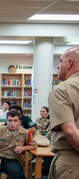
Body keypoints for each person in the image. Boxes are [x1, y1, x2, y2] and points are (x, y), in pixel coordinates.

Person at [48, 46, 79, 179]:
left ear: (70, 62)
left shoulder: (62, 90)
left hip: (72, 162)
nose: (58, 66)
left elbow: (71, 132)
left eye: (61, 61)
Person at [0, 110, 37, 179]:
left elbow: (34, 145)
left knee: (17, 172)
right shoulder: (0, 130)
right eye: (10, 120)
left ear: (20, 122)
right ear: (7, 121)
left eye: (15, 121)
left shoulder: (25, 133)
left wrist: (23, 148)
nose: (12, 123)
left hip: (11, 159)